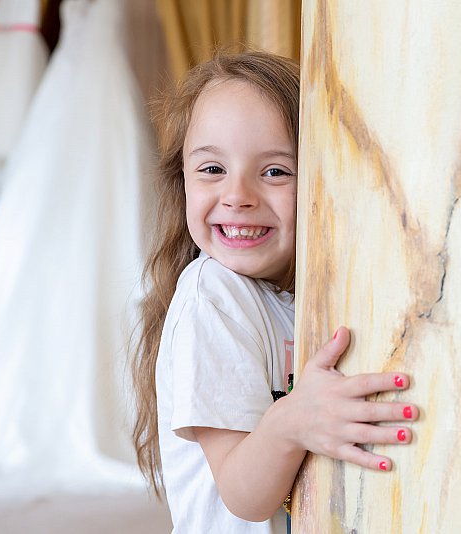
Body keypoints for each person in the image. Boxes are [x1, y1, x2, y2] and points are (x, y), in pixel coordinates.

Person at [130, 50, 418, 533]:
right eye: (212, 169)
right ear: (182, 181)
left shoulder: (289, 301)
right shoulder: (213, 297)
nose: (238, 194)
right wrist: (296, 419)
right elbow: (245, 494)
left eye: (275, 172)